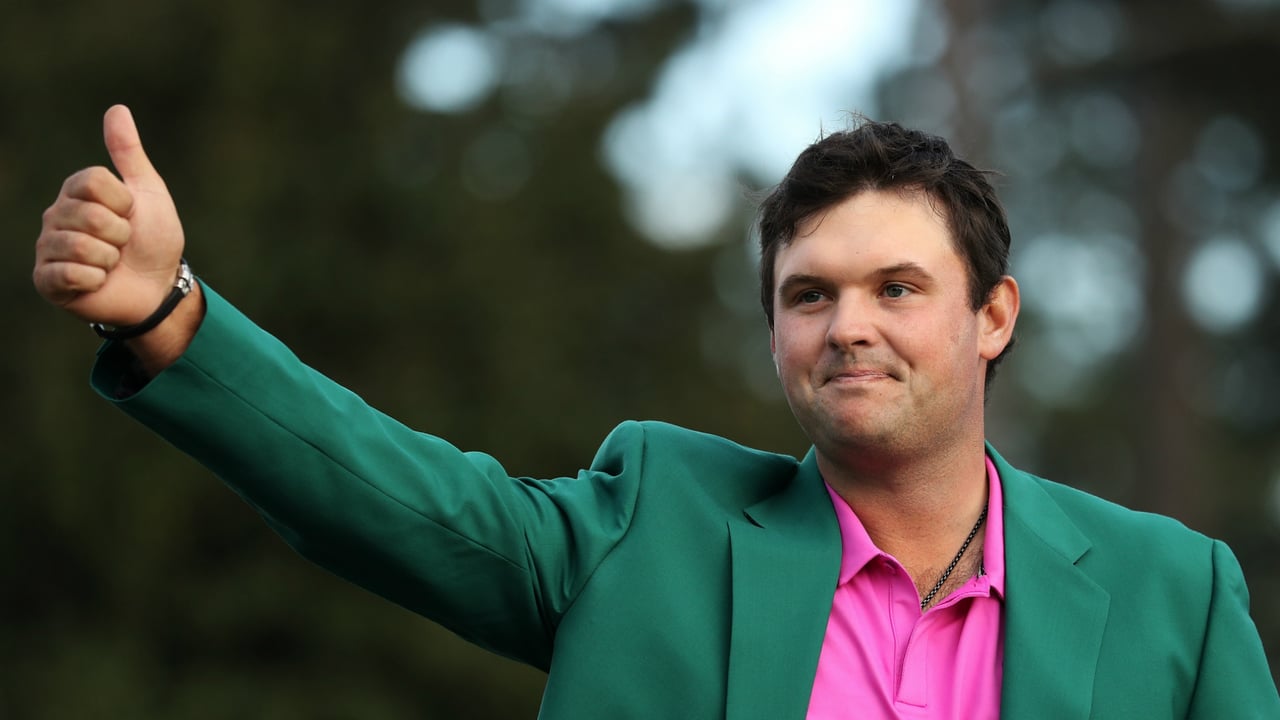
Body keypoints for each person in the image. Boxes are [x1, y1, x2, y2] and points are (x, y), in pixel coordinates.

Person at [34, 105, 1278, 719]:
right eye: (808, 294)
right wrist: (168, 315)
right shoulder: (652, 524)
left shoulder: (1174, 594)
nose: (847, 325)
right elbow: (394, 500)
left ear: (991, 316)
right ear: (774, 330)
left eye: (896, 288)